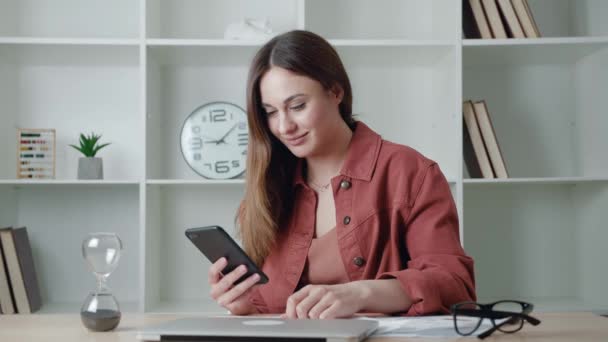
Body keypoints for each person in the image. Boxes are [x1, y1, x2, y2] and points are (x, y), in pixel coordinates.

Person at [208, 30, 475, 319]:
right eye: (270, 112)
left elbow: (455, 285)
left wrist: (361, 293)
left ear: (336, 92)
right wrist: (244, 306)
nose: (284, 126)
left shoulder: (409, 172)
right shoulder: (271, 188)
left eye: (297, 106)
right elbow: (273, 307)